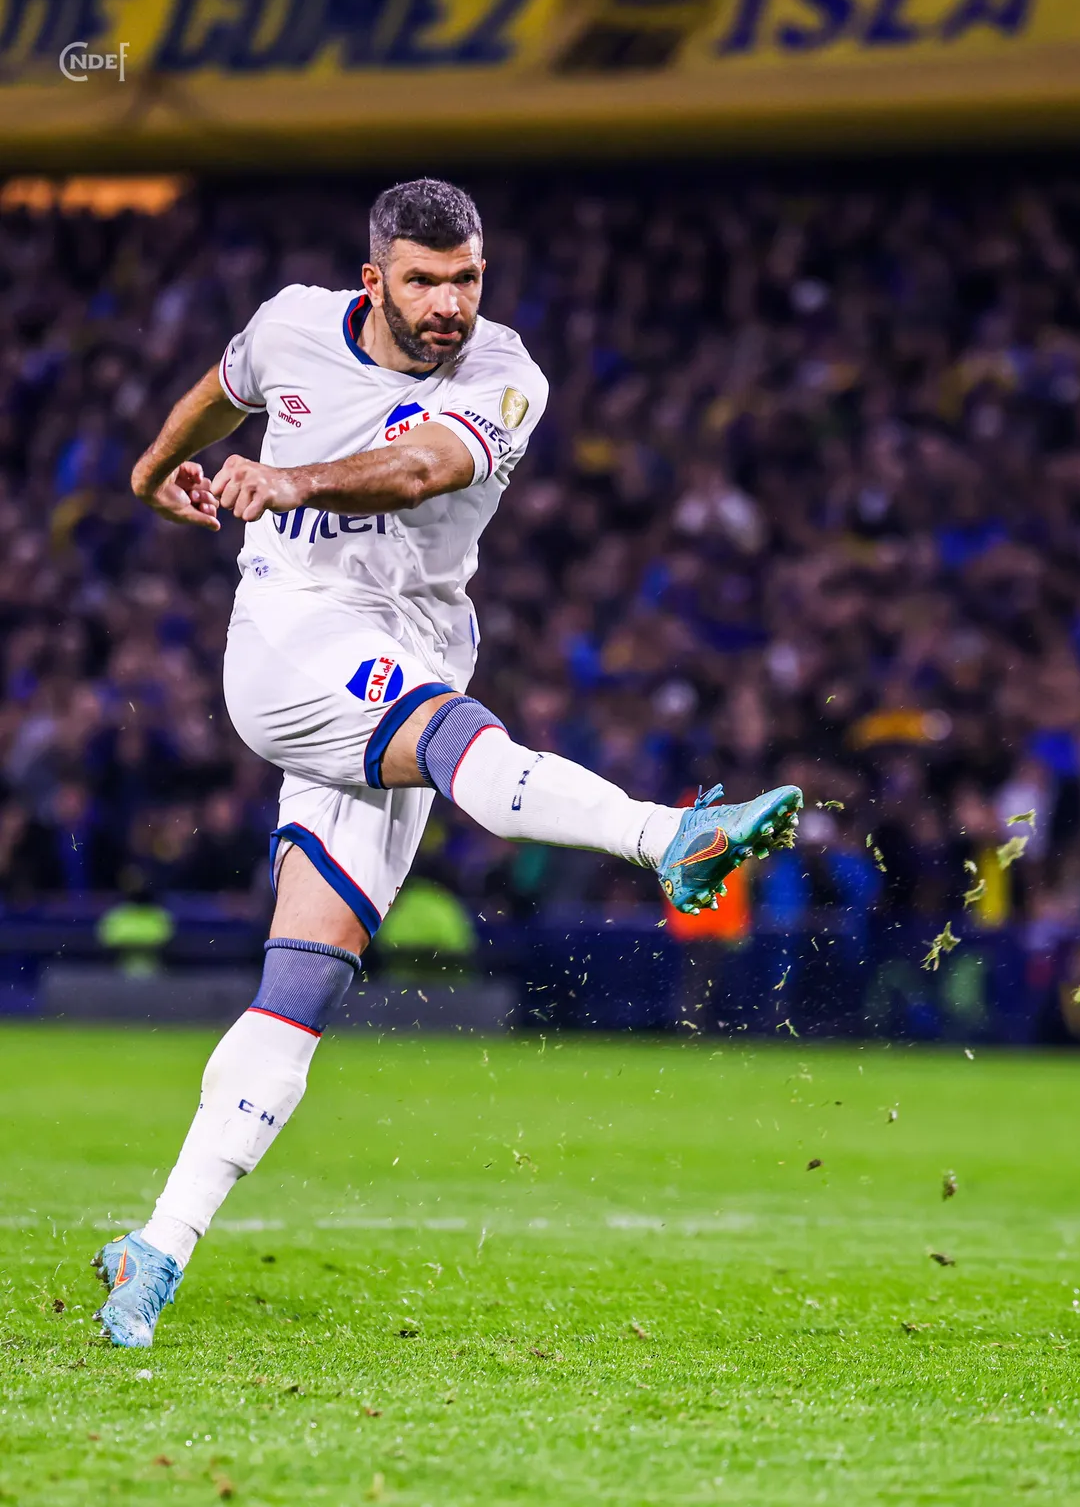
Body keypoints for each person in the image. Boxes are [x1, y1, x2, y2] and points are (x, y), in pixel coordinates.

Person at [91, 180, 803, 1349]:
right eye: (423, 281)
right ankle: (668, 837)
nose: (448, 305)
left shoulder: (505, 377)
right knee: (462, 738)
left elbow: (420, 469)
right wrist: (153, 466)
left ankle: (156, 1247)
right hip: (291, 643)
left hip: (408, 649)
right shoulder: (292, 324)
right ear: (373, 280)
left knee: (305, 982)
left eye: (465, 279)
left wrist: (290, 478)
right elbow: (227, 386)